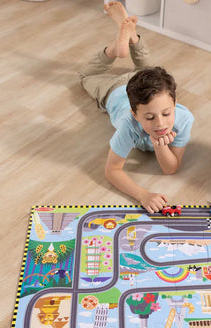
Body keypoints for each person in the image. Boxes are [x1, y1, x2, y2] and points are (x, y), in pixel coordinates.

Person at [79, 1, 194, 213]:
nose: (160, 123)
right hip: (113, 89)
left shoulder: (184, 118)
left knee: (149, 71)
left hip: (142, 84)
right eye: (149, 118)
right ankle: (115, 48)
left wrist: (160, 145)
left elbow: (171, 168)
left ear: (175, 104)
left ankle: (131, 36)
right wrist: (143, 195)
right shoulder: (128, 124)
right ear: (135, 114)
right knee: (86, 76)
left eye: (167, 113)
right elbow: (112, 170)